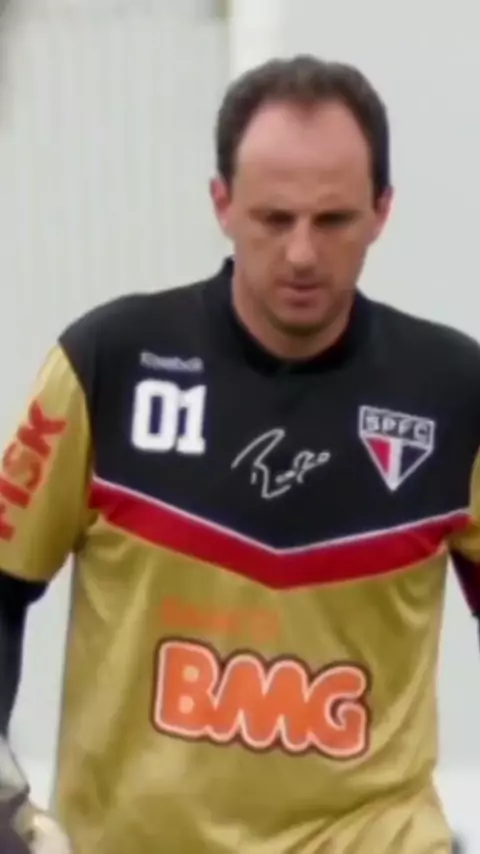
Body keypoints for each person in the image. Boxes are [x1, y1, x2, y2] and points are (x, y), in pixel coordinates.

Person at [0, 53, 476, 854]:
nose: (302, 254)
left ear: (383, 211)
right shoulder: (107, 363)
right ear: (221, 203)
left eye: (334, 221)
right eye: (273, 218)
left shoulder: (456, 392)